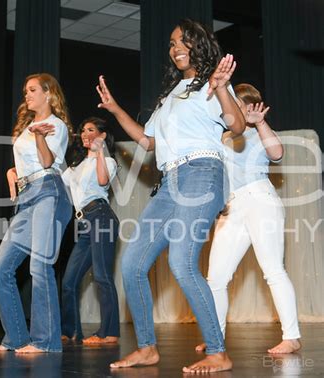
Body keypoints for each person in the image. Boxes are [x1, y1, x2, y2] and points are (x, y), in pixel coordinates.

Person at [96, 19, 246, 373]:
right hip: (169, 182)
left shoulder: (212, 83)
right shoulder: (171, 96)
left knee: (181, 261)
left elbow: (237, 125)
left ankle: (217, 351)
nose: (175, 47)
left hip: (202, 174)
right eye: (171, 43)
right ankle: (147, 348)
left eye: (183, 41)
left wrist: (223, 87)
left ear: (199, 46)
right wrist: (116, 109)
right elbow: (149, 142)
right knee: (132, 264)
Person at [195, 83, 301, 354]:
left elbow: (277, 153)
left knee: (273, 270)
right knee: (216, 278)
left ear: (249, 106)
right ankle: (214, 337)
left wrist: (261, 123)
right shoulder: (221, 137)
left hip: (259, 198)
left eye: (236, 103)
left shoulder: (256, 130)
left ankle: (292, 336)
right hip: (231, 207)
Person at [0, 73, 73, 353]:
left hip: (49, 191)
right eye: (26, 90)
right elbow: (24, 163)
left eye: (33, 90)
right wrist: (12, 171)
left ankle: (46, 341)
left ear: (49, 94)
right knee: (0, 268)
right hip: (26, 197)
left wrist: (40, 137)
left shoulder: (56, 125)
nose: (27, 95)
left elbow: (48, 161)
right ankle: (15, 337)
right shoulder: (27, 127)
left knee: (40, 266)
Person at [61, 117, 120, 345]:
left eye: (91, 130)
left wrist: (98, 152)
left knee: (103, 276)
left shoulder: (108, 161)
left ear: (102, 135)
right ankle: (71, 330)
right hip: (83, 223)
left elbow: (103, 180)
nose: (85, 133)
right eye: (83, 129)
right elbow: (57, 179)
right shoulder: (76, 166)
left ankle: (109, 332)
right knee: (69, 280)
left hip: (101, 217)